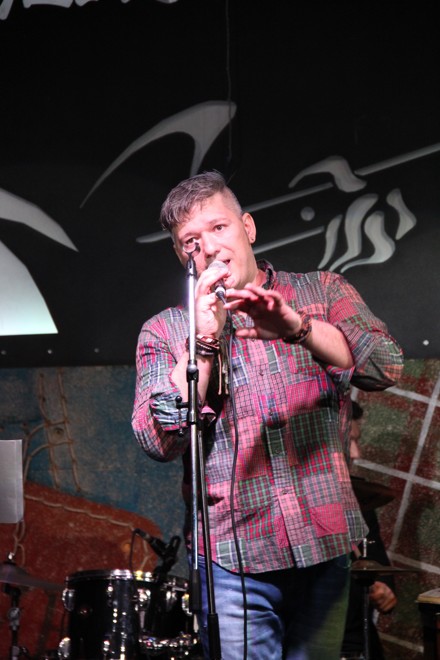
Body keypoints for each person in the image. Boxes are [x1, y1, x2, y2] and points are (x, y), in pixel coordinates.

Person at [132, 171, 404, 660]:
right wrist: (204, 341)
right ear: (181, 256)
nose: (208, 247)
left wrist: (298, 328)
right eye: (191, 241)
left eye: (219, 228)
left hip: (325, 543)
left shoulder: (322, 290)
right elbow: (158, 440)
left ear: (248, 228)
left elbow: (385, 366)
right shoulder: (166, 331)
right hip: (233, 560)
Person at [341, 401, 397, 660]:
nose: (356, 453)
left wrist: (384, 588)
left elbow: (379, 567)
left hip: (357, 642)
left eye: (357, 440)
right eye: (349, 441)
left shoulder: (360, 499)